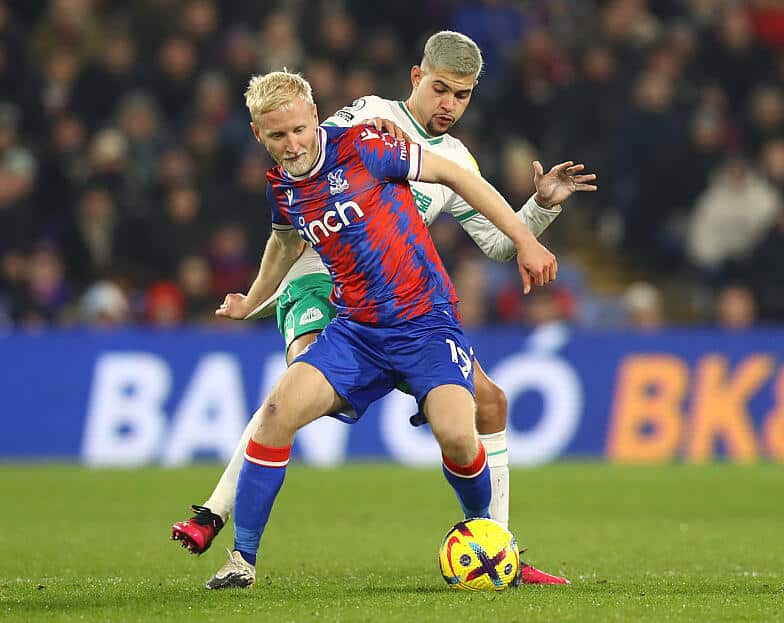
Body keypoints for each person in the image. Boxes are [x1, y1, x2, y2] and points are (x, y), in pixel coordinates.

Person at [172, 31, 596, 585]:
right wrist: (256, 299)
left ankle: (496, 549)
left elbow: (493, 243)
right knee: (289, 399)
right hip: (322, 286)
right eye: (441, 89)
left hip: (409, 304)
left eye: (462, 96)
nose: (449, 104)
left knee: (488, 405)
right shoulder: (368, 119)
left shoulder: (453, 159)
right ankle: (218, 517)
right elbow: (301, 185)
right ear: (417, 78)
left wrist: (537, 212)